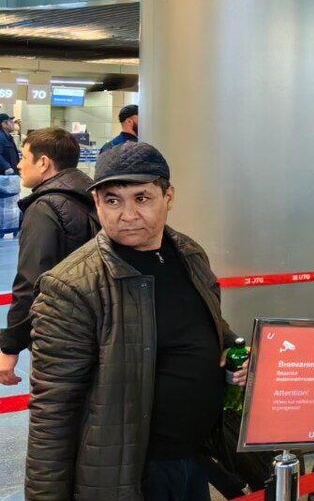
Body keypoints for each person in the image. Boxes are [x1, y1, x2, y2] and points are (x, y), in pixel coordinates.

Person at [25, 142, 240, 501]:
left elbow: (207, 322)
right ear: (97, 202)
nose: (127, 214)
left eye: (142, 198)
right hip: (127, 475)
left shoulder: (188, 253)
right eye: (113, 200)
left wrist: (231, 349)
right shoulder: (71, 286)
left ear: (168, 197)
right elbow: (53, 412)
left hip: (196, 456)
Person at [0, 128, 98, 387]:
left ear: (43, 163)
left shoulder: (45, 208)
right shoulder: (94, 198)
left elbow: (32, 280)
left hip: (57, 336)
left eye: (24, 157)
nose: (18, 164)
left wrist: (10, 346)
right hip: (97, 328)